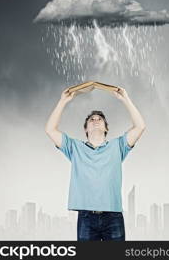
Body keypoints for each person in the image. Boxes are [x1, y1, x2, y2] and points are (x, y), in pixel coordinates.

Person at [45, 85, 145, 240]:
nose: (96, 121)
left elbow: (140, 127)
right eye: (92, 120)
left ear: (106, 128)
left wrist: (125, 98)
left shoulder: (117, 146)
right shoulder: (75, 148)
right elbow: (50, 130)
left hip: (113, 215)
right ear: (86, 129)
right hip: (86, 217)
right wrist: (63, 101)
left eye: (100, 119)